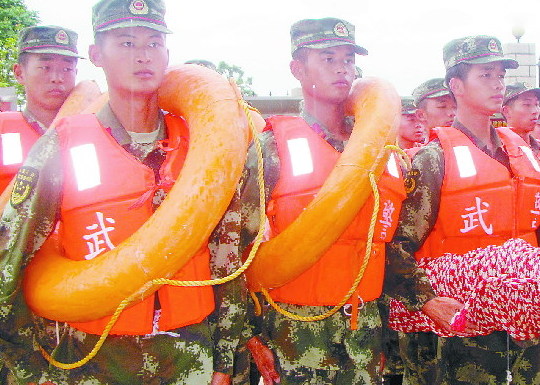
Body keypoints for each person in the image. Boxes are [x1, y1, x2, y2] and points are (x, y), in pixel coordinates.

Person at [0, 0, 246, 384]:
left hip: (190, 352)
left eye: (153, 43)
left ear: (168, 54)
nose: (142, 56)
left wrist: (226, 360)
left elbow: (227, 256)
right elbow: (9, 259)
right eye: (126, 43)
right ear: (97, 55)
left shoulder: (203, 144)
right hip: (98, 356)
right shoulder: (59, 147)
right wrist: (31, 369)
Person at [226, 17, 464, 385]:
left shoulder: (383, 153)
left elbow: (388, 244)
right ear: (297, 69)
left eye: (348, 60)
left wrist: (423, 297)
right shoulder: (270, 151)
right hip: (296, 332)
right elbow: (240, 250)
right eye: (328, 58)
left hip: (365, 329)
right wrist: (250, 335)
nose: (342, 68)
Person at [387, 35, 540, 385]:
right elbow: (395, 245)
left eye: (500, 75)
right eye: (485, 75)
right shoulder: (432, 160)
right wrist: (427, 301)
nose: (498, 84)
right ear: (456, 84)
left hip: (527, 325)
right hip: (465, 328)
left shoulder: (524, 155)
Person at [0, 25, 81, 192]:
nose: (57, 78)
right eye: (46, 68)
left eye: (67, 69)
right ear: (19, 73)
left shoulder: (89, 134)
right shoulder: (3, 130)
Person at [501, 82, 540, 156]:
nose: (535, 111)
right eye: (527, 105)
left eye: (536, 104)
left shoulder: (537, 147)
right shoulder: (498, 151)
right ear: (506, 111)